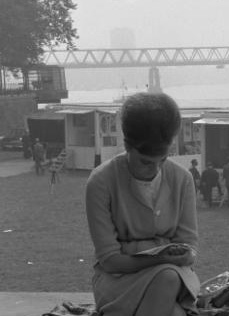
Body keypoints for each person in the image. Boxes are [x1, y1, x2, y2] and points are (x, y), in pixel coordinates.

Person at [85, 92, 199, 316]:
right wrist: (162, 258)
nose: (156, 169)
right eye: (146, 162)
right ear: (127, 146)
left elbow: (190, 247)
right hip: (117, 281)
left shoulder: (182, 179)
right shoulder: (101, 181)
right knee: (173, 306)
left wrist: (184, 256)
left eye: (163, 160)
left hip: (174, 276)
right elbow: (110, 261)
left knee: (167, 277)